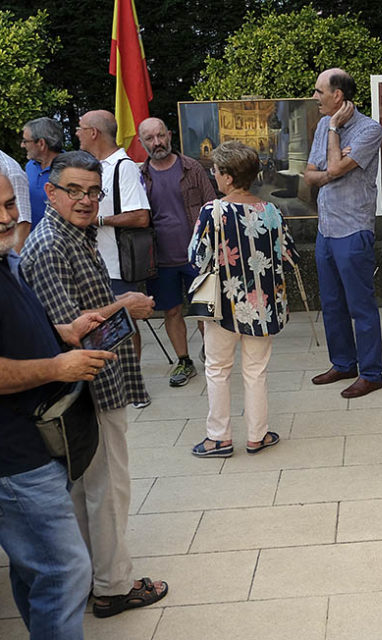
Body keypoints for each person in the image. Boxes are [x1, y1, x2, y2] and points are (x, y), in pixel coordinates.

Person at [18, 151, 167, 619]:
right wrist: (124, 305)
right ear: (51, 192)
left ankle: (93, 579)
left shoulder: (72, 235)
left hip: (100, 383)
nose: (85, 200)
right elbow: (70, 332)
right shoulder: (49, 245)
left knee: (91, 490)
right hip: (88, 387)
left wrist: (116, 304)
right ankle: (113, 587)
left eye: (92, 191)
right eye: (74, 191)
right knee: (106, 489)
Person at [0, 172, 116, 639]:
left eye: (9, 204)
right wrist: (56, 368)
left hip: (32, 445)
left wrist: (61, 335)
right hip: (15, 458)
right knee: (66, 570)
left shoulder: (8, 258)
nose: (7, 217)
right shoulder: (40, 245)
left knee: (39, 568)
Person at [188, 141, 299, 458]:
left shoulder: (213, 211)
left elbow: (196, 257)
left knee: (218, 369)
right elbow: (289, 253)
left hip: (223, 305)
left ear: (226, 176)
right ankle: (257, 435)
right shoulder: (272, 211)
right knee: (255, 371)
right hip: (263, 305)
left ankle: (218, 438)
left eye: (216, 170)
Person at [303, 68, 382, 399]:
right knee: (332, 302)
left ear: (338, 96)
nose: (315, 97)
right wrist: (329, 170)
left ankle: (371, 373)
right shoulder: (322, 123)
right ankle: (343, 363)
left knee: (360, 305)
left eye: (319, 91)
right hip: (326, 228)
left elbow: (333, 168)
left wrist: (335, 132)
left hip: (354, 229)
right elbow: (310, 174)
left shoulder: (370, 130)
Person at [138, 117, 216, 386]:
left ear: (169, 135)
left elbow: (212, 207)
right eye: (149, 138)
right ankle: (184, 361)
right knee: (171, 312)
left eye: (160, 135)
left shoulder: (191, 167)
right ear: (141, 142)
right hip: (160, 259)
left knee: (203, 312)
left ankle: (212, 355)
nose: (157, 142)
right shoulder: (140, 176)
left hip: (197, 256)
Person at [77, 109, 152, 369]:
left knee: (123, 321)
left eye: (80, 128)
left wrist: (98, 220)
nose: (77, 133)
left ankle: (133, 379)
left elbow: (141, 216)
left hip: (117, 263)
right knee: (102, 322)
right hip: (95, 263)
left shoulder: (124, 166)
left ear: (94, 133)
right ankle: (113, 375)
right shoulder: (94, 167)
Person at [22, 117, 63, 232]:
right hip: (30, 243)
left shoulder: (70, 169)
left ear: (41, 143)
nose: (22, 145)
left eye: (25, 141)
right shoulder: (30, 166)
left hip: (58, 244)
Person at [0, 149, 31, 251]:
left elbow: (23, 225)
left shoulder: (11, 170)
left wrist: (12, 265)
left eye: (9, 205)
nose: (5, 218)